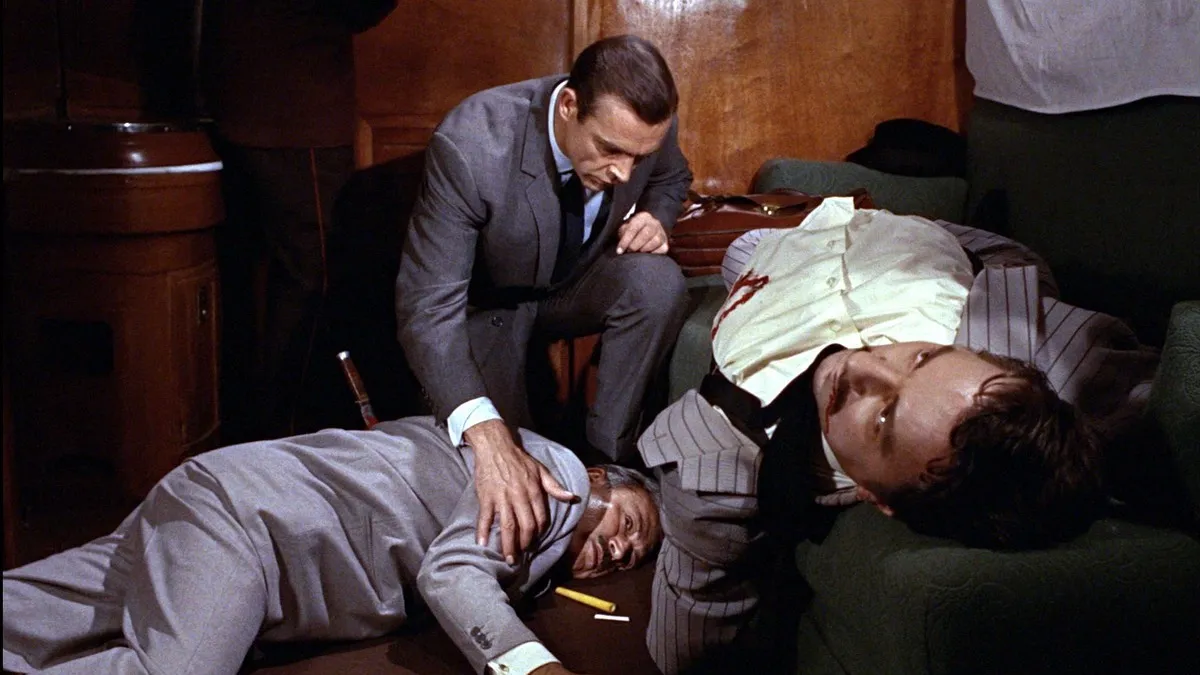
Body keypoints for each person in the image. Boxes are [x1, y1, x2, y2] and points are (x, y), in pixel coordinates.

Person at [638, 198, 1160, 674]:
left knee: (742, 245)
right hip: (904, 238)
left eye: (882, 419)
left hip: (772, 265)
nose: (861, 365)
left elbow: (685, 651)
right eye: (922, 357)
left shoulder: (720, 461)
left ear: (877, 497)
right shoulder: (1046, 355)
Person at [1, 417, 662, 675]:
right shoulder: (551, 479)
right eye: (630, 524)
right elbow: (454, 573)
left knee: (35, 609)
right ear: (600, 477)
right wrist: (535, 669)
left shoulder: (539, 546)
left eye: (632, 556)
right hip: (247, 525)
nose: (620, 550)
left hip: (222, 498)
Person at [395, 36, 693, 566]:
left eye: (639, 156)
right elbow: (427, 308)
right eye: (610, 150)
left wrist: (656, 216)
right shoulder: (472, 144)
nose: (625, 173)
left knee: (656, 282)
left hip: (569, 285)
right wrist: (486, 433)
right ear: (569, 106)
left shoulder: (645, 127)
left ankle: (608, 459)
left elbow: (672, 176)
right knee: (512, 484)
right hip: (485, 308)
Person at [201, 0, 398, 442]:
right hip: (293, 115)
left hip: (239, 104)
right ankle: (287, 431)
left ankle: (259, 429)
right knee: (314, 281)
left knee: (251, 284)